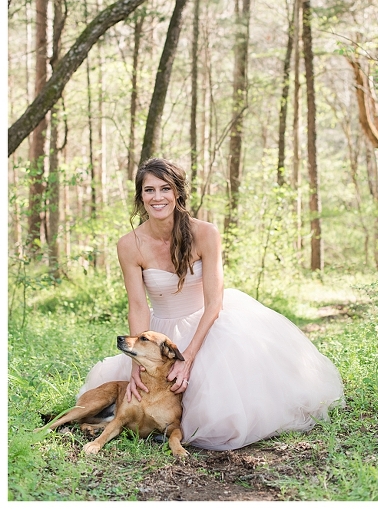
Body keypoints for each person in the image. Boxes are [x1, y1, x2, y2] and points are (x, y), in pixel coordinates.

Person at [78, 158, 344, 451]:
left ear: (177, 193)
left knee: (217, 407)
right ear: (140, 196)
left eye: (165, 189)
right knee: (131, 394)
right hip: (160, 333)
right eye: (149, 190)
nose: (157, 197)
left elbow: (214, 301)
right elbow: (138, 307)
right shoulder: (129, 244)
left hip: (209, 322)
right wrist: (136, 363)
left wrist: (188, 358)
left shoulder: (206, 233)